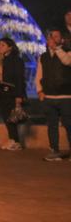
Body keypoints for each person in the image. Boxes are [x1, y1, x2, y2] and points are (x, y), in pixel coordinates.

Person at [36, 28, 71, 161]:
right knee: (52, 125)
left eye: (56, 36)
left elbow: (67, 61)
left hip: (66, 96)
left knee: (69, 124)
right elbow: (39, 74)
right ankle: (54, 150)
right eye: (51, 37)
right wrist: (39, 90)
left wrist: (57, 49)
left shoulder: (67, 52)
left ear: (61, 39)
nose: (53, 39)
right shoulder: (43, 56)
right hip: (49, 96)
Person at [0, 37, 26, 151]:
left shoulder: (16, 60)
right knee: (6, 117)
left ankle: (16, 141)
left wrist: (19, 95)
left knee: (11, 118)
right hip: (1, 92)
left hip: (11, 92)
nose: (0, 47)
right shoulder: (1, 60)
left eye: (3, 45)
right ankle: (12, 139)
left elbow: (19, 78)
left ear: (10, 47)